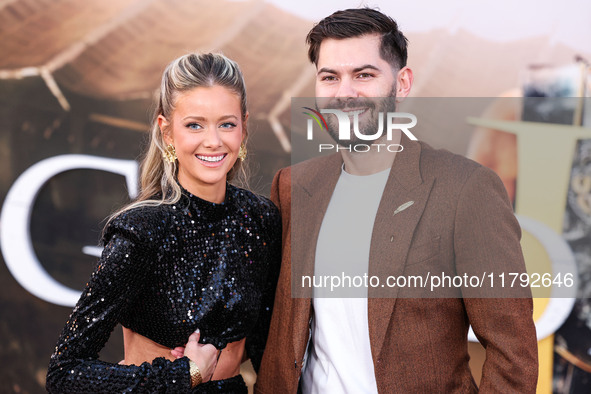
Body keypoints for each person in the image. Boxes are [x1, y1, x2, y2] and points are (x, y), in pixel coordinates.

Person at [255, 8, 538, 393]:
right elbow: (277, 327)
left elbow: (513, 356)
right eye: (330, 77)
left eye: (364, 75)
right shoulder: (293, 186)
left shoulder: (465, 189)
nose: (345, 93)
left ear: (402, 83)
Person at [46, 52, 281, 393]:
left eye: (226, 124)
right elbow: (64, 373)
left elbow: (267, 346)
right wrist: (183, 376)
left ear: (244, 127)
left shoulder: (261, 219)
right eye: (194, 124)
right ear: (167, 131)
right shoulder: (143, 230)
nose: (213, 141)